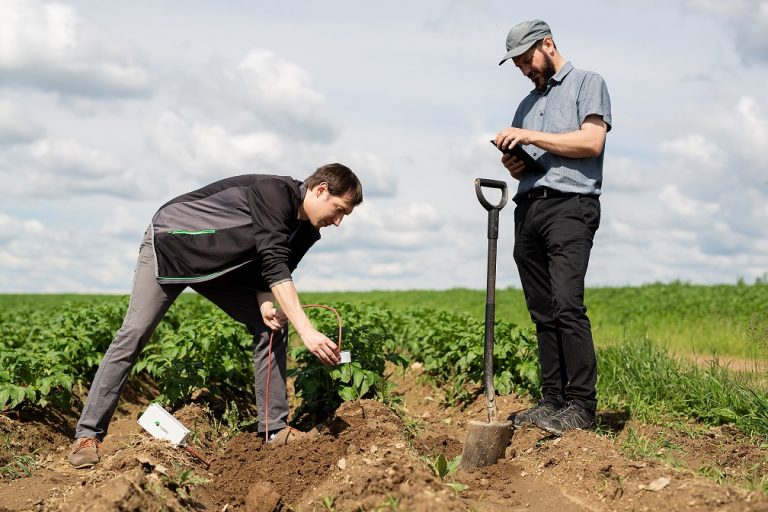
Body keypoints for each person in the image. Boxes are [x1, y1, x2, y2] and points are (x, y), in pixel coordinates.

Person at [68, 163, 363, 468]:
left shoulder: (306, 232)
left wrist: (264, 305)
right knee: (134, 332)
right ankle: (88, 435)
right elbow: (274, 262)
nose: (339, 221)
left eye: (345, 216)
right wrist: (308, 330)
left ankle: (274, 429)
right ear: (321, 190)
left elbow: (269, 273)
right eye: (339, 209)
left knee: (271, 326)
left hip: (217, 269)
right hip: (174, 245)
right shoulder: (275, 193)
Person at [494, 20, 612, 436]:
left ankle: (582, 404)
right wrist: (515, 161)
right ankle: (553, 400)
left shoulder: (587, 83)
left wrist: (531, 135)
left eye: (528, 60)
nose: (525, 69)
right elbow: (532, 158)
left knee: (567, 304)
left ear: (548, 44)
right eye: (518, 65)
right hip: (529, 208)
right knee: (542, 312)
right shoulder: (525, 104)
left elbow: (590, 143)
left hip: (571, 206)